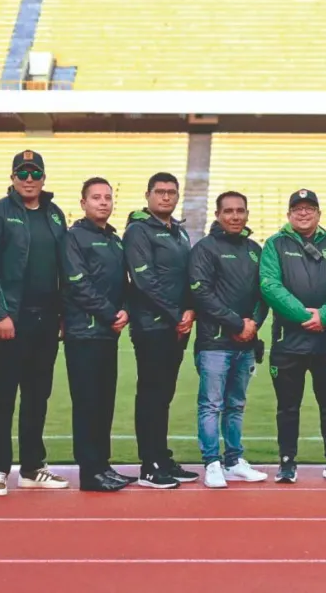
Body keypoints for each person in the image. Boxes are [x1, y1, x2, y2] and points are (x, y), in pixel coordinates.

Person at [0, 150, 70, 496]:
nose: (28, 179)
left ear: (43, 177)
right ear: (13, 177)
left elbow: (63, 268)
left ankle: (32, 467)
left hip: (46, 321)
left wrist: (62, 313)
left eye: (34, 173)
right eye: (22, 173)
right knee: (3, 396)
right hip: (10, 321)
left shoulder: (55, 215)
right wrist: (0, 314)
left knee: (37, 396)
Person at [260, 189, 326, 484]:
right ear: (289, 214)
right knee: (287, 407)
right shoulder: (274, 244)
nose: (304, 213)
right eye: (298, 209)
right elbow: (269, 285)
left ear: (319, 213)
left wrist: (324, 316)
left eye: (310, 208)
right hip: (287, 343)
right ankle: (287, 462)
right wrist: (305, 316)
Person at [189, 191, 269, 488]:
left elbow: (265, 293)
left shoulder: (254, 249)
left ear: (247, 214)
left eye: (240, 211)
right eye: (229, 211)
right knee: (211, 404)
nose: (235, 216)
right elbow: (201, 294)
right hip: (215, 343)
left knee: (236, 404)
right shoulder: (205, 249)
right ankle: (211, 463)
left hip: (245, 344)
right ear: (218, 215)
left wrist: (253, 325)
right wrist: (236, 323)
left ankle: (234, 460)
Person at [124, 172, 198, 489]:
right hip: (152, 326)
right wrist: (175, 314)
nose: (166, 197)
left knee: (164, 395)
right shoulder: (139, 231)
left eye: (171, 192)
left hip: (177, 327)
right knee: (152, 395)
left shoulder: (179, 233)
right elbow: (145, 281)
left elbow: (187, 277)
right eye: (160, 192)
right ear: (148, 195)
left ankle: (162, 456)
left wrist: (190, 310)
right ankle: (150, 465)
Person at [62, 177, 133, 493]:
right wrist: (109, 313)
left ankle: (103, 465)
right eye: (96, 198)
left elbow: (125, 282)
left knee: (104, 404)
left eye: (107, 197)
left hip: (107, 335)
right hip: (84, 333)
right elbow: (77, 282)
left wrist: (125, 309)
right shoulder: (74, 238)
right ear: (83, 203)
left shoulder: (115, 240)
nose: (103, 202)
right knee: (88, 404)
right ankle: (90, 473)